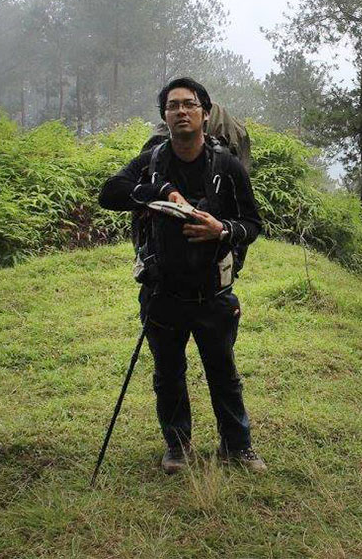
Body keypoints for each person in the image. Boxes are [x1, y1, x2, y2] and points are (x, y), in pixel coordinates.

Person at [99, 77, 266, 473]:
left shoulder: (226, 165)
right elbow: (110, 193)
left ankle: (237, 447)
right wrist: (161, 189)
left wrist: (220, 230)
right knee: (168, 373)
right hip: (162, 290)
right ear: (165, 116)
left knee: (223, 371)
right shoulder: (153, 160)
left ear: (205, 114)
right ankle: (178, 447)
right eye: (173, 106)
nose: (181, 111)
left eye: (189, 104)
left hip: (214, 291)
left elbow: (253, 223)